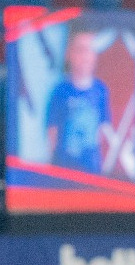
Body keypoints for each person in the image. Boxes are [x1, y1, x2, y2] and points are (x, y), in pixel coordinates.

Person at [46, 30, 110, 174]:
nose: (85, 56)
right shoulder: (60, 91)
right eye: (81, 50)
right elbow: (52, 131)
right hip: (64, 169)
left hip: (91, 170)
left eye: (89, 50)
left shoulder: (100, 90)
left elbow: (102, 129)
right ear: (70, 54)